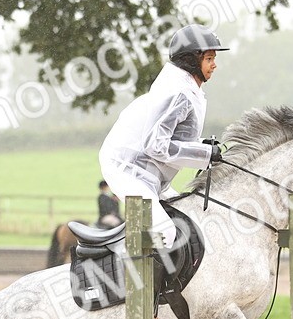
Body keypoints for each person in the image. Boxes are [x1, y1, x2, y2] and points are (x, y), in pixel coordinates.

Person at [98, 24, 228, 247]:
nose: (214, 65)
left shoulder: (187, 88)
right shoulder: (178, 92)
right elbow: (155, 145)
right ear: (191, 60)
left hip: (149, 174)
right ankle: (131, 282)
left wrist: (203, 146)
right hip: (127, 170)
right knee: (165, 233)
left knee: (189, 222)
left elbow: (174, 140)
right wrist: (205, 153)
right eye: (209, 58)